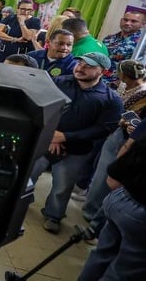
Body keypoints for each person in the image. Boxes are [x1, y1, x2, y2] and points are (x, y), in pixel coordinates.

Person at [29, 52, 123, 234]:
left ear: (102, 71)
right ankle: (18, 203)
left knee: (62, 186)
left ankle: (53, 215)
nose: (80, 68)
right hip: (45, 141)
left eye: (88, 66)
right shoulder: (58, 82)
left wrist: (65, 137)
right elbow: (42, 105)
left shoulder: (110, 99)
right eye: (79, 63)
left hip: (76, 150)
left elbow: (103, 129)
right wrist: (50, 134)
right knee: (28, 175)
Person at [82, 59, 146, 230]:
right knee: (99, 171)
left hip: (125, 137)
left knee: (105, 175)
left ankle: (92, 214)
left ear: (124, 74)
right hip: (119, 134)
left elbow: (129, 116)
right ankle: (92, 208)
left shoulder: (141, 93)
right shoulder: (126, 86)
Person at [77, 138, 146, 281]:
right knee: (125, 270)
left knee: (103, 253)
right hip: (140, 214)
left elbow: (115, 172)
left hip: (121, 198)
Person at [102, 10, 145, 88]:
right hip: (98, 79)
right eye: (125, 20)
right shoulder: (109, 38)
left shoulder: (142, 45)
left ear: (142, 25)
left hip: (119, 87)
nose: (128, 23)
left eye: (133, 21)